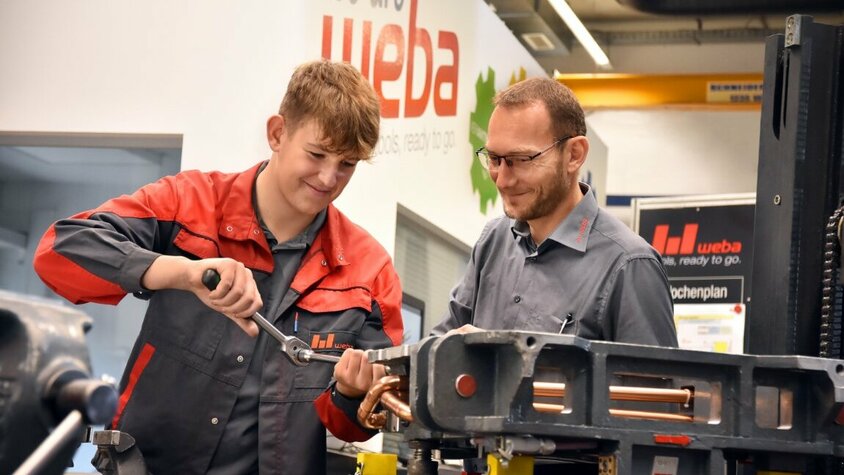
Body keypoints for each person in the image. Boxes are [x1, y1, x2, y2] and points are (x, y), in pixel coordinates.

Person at [33, 60, 403, 475]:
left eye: (347, 164)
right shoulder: (189, 203)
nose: (329, 177)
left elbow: (359, 423)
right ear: (278, 133)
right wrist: (183, 273)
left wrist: (352, 395)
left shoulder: (369, 271)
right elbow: (60, 249)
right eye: (317, 154)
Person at [432, 77, 677, 347]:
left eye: (521, 161)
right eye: (494, 159)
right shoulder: (493, 241)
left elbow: (654, 387)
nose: (502, 179)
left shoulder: (629, 266)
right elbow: (438, 346)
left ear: (574, 154)